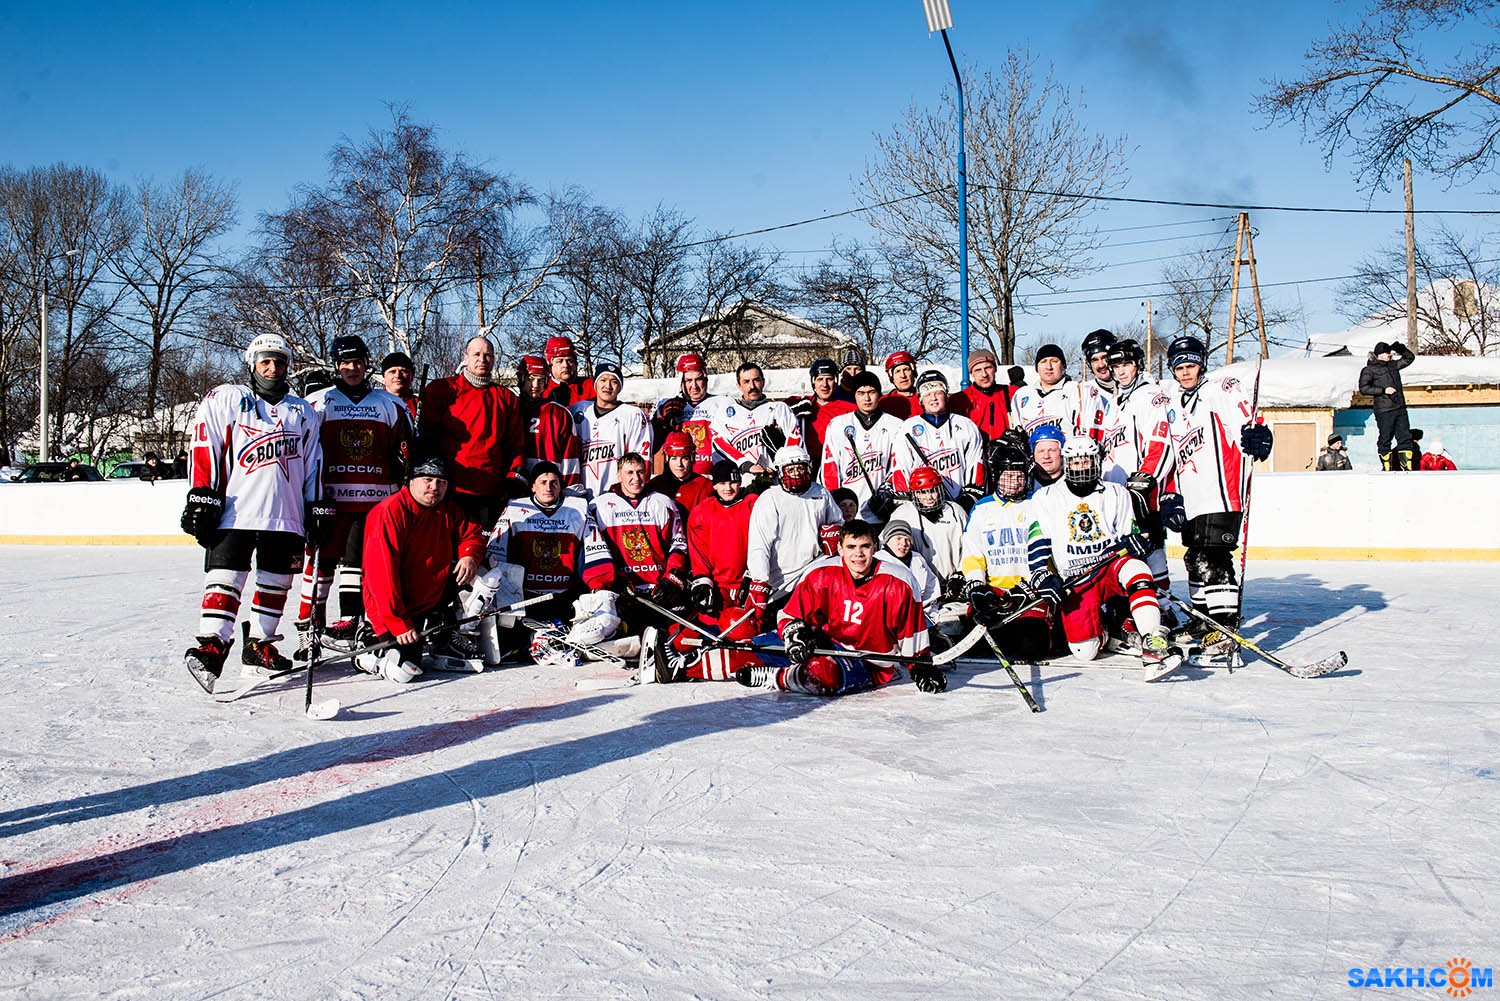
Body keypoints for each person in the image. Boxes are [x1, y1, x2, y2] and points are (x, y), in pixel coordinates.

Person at [180, 333, 325, 692]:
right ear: (252, 364)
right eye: (265, 361)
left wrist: (316, 505)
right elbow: (206, 443)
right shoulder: (227, 398)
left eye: (278, 361)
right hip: (236, 511)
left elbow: (312, 464)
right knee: (226, 577)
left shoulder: (301, 411)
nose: (272, 368)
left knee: (277, 582)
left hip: (286, 514)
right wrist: (202, 494)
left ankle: (259, 645)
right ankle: (213, 645)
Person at [296, 334, 413, 651]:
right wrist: (309, 498)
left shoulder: (390, 404)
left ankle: (352, 621)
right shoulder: (318, 403)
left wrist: (403, 465)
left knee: (359, 563)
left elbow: (406, 455)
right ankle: (310, 628)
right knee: (320, 565)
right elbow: (305, 455)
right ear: (336, 365)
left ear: (366, 364)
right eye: (345, 363)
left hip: (376, 504)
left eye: (357, 362)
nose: (352, 368)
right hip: (330, 501)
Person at [735, 520, 944, 696]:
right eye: (851, 547)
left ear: (875, 548)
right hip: (821, 644)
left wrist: (920, 666)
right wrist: (795, 633)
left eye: (865, 546)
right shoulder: (821, 573)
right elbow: (791, 614)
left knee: (821, 674)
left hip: (867, 662)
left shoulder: (900, 582)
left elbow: (911, 631)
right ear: (840, 549)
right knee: (736, 654)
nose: (858, 554)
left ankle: (776, 677)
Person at [1028, 436, 1174, 671]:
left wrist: (1136, 542)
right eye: (1075, 462)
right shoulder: (1045, 497)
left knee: (1137, 569)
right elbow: (1037, 542)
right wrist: (1041, 575)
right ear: (1067, 463)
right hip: (1075, 578)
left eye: (1086, 461)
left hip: (1110, 567)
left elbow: (1130, 535)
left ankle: (1152, 638)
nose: (1081, 467)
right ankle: (1109, 631)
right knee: (1084, 651)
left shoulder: (1117, 492)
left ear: (1096, 461)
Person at [1164, 335, 1272, 636]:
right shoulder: (1175, 404)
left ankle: (1223, 627)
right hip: (1194, 497)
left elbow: (1244, 424)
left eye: (1191, 365)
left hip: (1222, 493)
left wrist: (1256, 435)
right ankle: (1203, 619)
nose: (1186, 372)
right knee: (1194, 557)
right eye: (1180, 367)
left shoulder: (1220, 389)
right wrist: (1172, 493)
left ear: (1201, 366)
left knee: (1214, 556)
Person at [359, 455, 486, 683]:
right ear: (411, 481)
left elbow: (473, 533)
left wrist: (469, 555)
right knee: (404, 672)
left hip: (427, 602)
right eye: (427, 480)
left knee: (488, 571)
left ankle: (444, 638)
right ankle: (368, 649)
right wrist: (398, 623)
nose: (434, 487)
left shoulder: (447, 508)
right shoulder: (389, 512)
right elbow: (382, 577)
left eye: (441, 482)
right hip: (391, 610)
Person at [462, 460, 592, 658]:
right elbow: (495, 554)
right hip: (526, 598)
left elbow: (593, 550)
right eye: (543, 482)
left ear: (561, 486)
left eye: (554, 482)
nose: (549, 487)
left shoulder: (577, 509)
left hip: (563, 596)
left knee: (572, 635)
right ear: (532, 486)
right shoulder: (515, 508)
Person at [960, 439, 1053, 661]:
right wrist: (977, 585)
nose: (1014, 482)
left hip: (1030, 593)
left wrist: (1038, 583)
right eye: (1008, 476)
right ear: (997, 476)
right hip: (996, 593)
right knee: (979, 647)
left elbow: (1051, 550)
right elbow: (973, 554)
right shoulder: (982, 508)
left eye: (1019, 476)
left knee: (1031, 647)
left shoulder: (1038, 504)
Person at [418, 335, 525, 527]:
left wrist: (512, 478)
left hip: (489, 491)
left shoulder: (506, 398)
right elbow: (427, 436)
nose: (482, 360)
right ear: (465, 357)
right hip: (448, 488)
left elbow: (515, 443)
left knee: (480, 549)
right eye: (476, 354)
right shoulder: (443, 390)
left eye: (488, 355)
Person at [1103, 338, 1177, 609]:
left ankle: (1163, 607)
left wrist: (1146, 478)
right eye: (1115, 366)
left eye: (1126, 365)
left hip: (1143, 493)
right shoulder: (1116, 401)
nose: (1120, 371)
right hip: (1118, 493)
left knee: (1153, 550)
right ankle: (1134, 606)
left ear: (1137, 365)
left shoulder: (1149, 396)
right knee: (1126, 553)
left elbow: (1162, 440)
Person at [674, 459, 762, 682]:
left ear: (740, 482)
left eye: (733, 482)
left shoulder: (754, 504)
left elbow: (767, 539)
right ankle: (671, 646)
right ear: (714, 485)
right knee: (705, 623)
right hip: (720, 586)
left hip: (748, 584)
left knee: (745, 630)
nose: (728, 488)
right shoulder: (703, 512)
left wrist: (756, 572)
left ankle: (725, 658)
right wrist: (703, 580)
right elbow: (697, 550)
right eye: (722, 483)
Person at [743, 444, 844, 627]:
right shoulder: (770, 498)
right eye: (791, 469)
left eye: (800, 468)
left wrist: (834, 534)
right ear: (781, 472)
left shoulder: (820, 492)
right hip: (781, 583)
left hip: (812, 574)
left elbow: (838, 522)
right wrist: (760, 579)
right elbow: (760, 545)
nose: (796, 473)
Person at [581, 453, 690, 615]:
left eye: (640, 472)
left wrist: (672, 579)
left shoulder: (663, 503)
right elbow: (593, 551)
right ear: (619, 475)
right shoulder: (599, 506)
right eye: (629, 473)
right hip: (622, 592)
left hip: (658, 589)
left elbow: (678, 543)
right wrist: (612, 583)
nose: (636, 478)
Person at [821, 371, 906, 521]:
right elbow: (830, 466)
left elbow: (899, 467)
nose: (866, 398)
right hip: (847, 513)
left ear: (879, 394)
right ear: (854, 395)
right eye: (861, 393)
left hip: (881, 512)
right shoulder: (838, 425)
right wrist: (835, 501)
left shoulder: (896, 425)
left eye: (871, 392)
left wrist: (889, 494)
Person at [900, 369, 987, 509]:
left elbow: (976, 464)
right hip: (923, 503)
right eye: (927, 394)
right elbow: (902, 467)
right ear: (921, 399)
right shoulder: (908, 428)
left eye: (938, 392)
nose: (933, 398)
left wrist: (970, 496)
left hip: (960, 504)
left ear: (946, 395)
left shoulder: (966, 425)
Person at [699, 362, 801, 480]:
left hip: (776, 479)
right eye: (746, 382)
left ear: (763, 381)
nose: (752, 386)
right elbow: (719, 444)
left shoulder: (779, 409)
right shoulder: (725, 412)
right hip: (741, 482)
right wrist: (746, 465)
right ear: (739, 386)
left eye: (756, 380)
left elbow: (795, 439)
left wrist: (780, 464)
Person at [572, 362, 652, 498]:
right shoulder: (578, 410)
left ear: (620, 387)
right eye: (603, 380)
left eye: (614, 381)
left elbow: (641, 460)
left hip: (617, 497)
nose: (608, 386)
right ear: (595, 384)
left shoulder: (633, 415)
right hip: (579, 496)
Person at [1012, 343, 1114, 447]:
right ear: (1037, 368)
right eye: (1043, 362)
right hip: (1035, 460)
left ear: (1063, 366)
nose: (1049, 367)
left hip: (1070, 459)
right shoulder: (1021, 395)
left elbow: (1094, 437)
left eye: (1054, 361)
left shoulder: (1080, 391)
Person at [885, 464, 967, 584]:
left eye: (933, 490)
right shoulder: (902, 514)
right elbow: (890, 551)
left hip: (954, 582)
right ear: (915, 493)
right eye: (923, 492)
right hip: (919, 583)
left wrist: (960, 573)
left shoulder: (956, 511)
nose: (929, 497)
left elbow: (969, 547)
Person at [515, 355, 583, 493]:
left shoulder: (559, 413)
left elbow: (569, 457)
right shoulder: (510, 408)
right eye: (530, 379)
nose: (535, 385)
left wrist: (569, 490)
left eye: (540, 380)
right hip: (513, 487)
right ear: (521, 379)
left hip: (549, 489)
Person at [651, 352, 722, 473]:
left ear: (706, 379)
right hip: (677, 478)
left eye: (698, 379)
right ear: (681, 382)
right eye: (689, 380)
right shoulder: (666, 405)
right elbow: (651, 446)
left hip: (713, 478)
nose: (694, 386)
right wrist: (662, 424)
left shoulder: (721, 403)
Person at [1358, 341, 1417, 469]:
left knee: (1405, 437)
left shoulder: (1393, 365)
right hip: (1384, 410)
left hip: (1400, 407)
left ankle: (1407, 467)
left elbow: (1409, 358)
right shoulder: (1369, 370)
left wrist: (1399, 348)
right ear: (1379, 354)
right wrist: (1383, 390)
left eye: (1390, 352)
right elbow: (1364, 388)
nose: (1390, 354)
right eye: (1387, 352)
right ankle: (1387, 467)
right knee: (1385, 438)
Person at [786, 358, 855, 464]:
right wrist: (792, 412)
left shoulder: (849, 409)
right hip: (806, 465)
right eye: (820, 379)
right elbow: (775, 411)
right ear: (813, 382)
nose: (825, 384)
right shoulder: (801, 404)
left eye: (829, 379)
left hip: (835, 464)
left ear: (835, 381)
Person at [951, 348, 1016, 440]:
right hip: (976, 452)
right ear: (972, 374)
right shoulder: (960, 400)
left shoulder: (1012, 393)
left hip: (1008, 451)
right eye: (978, 370)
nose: (984, 374)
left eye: (988, 368)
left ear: (995, 369)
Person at [878, 519, 941, 611]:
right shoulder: (879, 560)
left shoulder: (917, 558)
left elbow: (931, 585)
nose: (904, 543)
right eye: (898, 538)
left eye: (907, 539)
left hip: (921, 613)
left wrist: (930, 610)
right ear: (887, 540)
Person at [647, 431, 714, 514]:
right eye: (674, 458)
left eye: (684, 458)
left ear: (692, 458)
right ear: (667, 459)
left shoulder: (704, 486)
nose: (679, 464)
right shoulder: (656, 485)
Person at [545, 335, 596, 408]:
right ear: (550, 365)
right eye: (560, 361)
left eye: (569, 360)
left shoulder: (591, 386)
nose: (565, 365)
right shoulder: (541, 389)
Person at [878, 350, 919, 420]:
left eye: (906, 369)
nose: (903, 375)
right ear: (892, 377)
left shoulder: (926, 397)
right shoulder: (884, 402)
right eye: (897, 371)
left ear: (913, 372)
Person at [380, 351, 420, 420]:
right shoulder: (373, 404)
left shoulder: (422, 406)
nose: (398, 375)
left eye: (403, 371)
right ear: (384, 377)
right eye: (392, 372)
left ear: (412, 376)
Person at [1081, 329, 1118, 401]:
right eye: (1095, 360)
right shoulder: (1086, 393)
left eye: (1104, 358)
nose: (1101, 365)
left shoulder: (1135, 384)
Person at [1029, 424, 1067, 491]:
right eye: (1041, 451)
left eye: (1052, 450)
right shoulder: (1025, 484)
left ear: (1061, 453)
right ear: (1033, 454)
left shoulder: (1072, 483)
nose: (1046, 456)